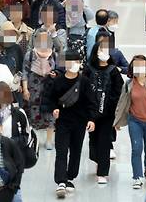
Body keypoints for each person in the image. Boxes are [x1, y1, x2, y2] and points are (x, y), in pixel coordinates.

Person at [49, 52, 97, 198]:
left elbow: (91, 102)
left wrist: (91, 119)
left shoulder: (84, 82)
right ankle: (61, 181)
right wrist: (54, 109)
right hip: (63, 122)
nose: (73, 64)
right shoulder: (58, 81)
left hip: (80, 122)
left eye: (76, 61)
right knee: (61, 151)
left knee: (76, 151)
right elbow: (51, 99)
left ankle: (70, 177)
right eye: (70, 61)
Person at [114, 56, 146, 189]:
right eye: (136, 65)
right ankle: (137, 177)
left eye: (142, 65)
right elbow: (122, 102)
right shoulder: (129, 84)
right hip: (134, 121)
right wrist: (117, 121)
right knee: (136, 149)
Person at [85, 39, 124, 184]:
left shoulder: (113, 70)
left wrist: (114, 110)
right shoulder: (89, 69)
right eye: (101, 50)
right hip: (91, 113)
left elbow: (118, 91)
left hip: (108, 113)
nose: (104, 53)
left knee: (104, 140)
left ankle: (103, 172)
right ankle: (97, 160)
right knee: (93, 140)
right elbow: (83, 88)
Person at [22, 28, 58, 149]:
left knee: (50, 114)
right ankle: (34, 139)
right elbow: (25, 72)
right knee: (33, 114)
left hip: (49, 88)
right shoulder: (30, 54)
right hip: (34, 88)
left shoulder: (53, 54)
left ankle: (49, 140)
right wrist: (25, 89)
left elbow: (58, 70)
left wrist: (55, 74)